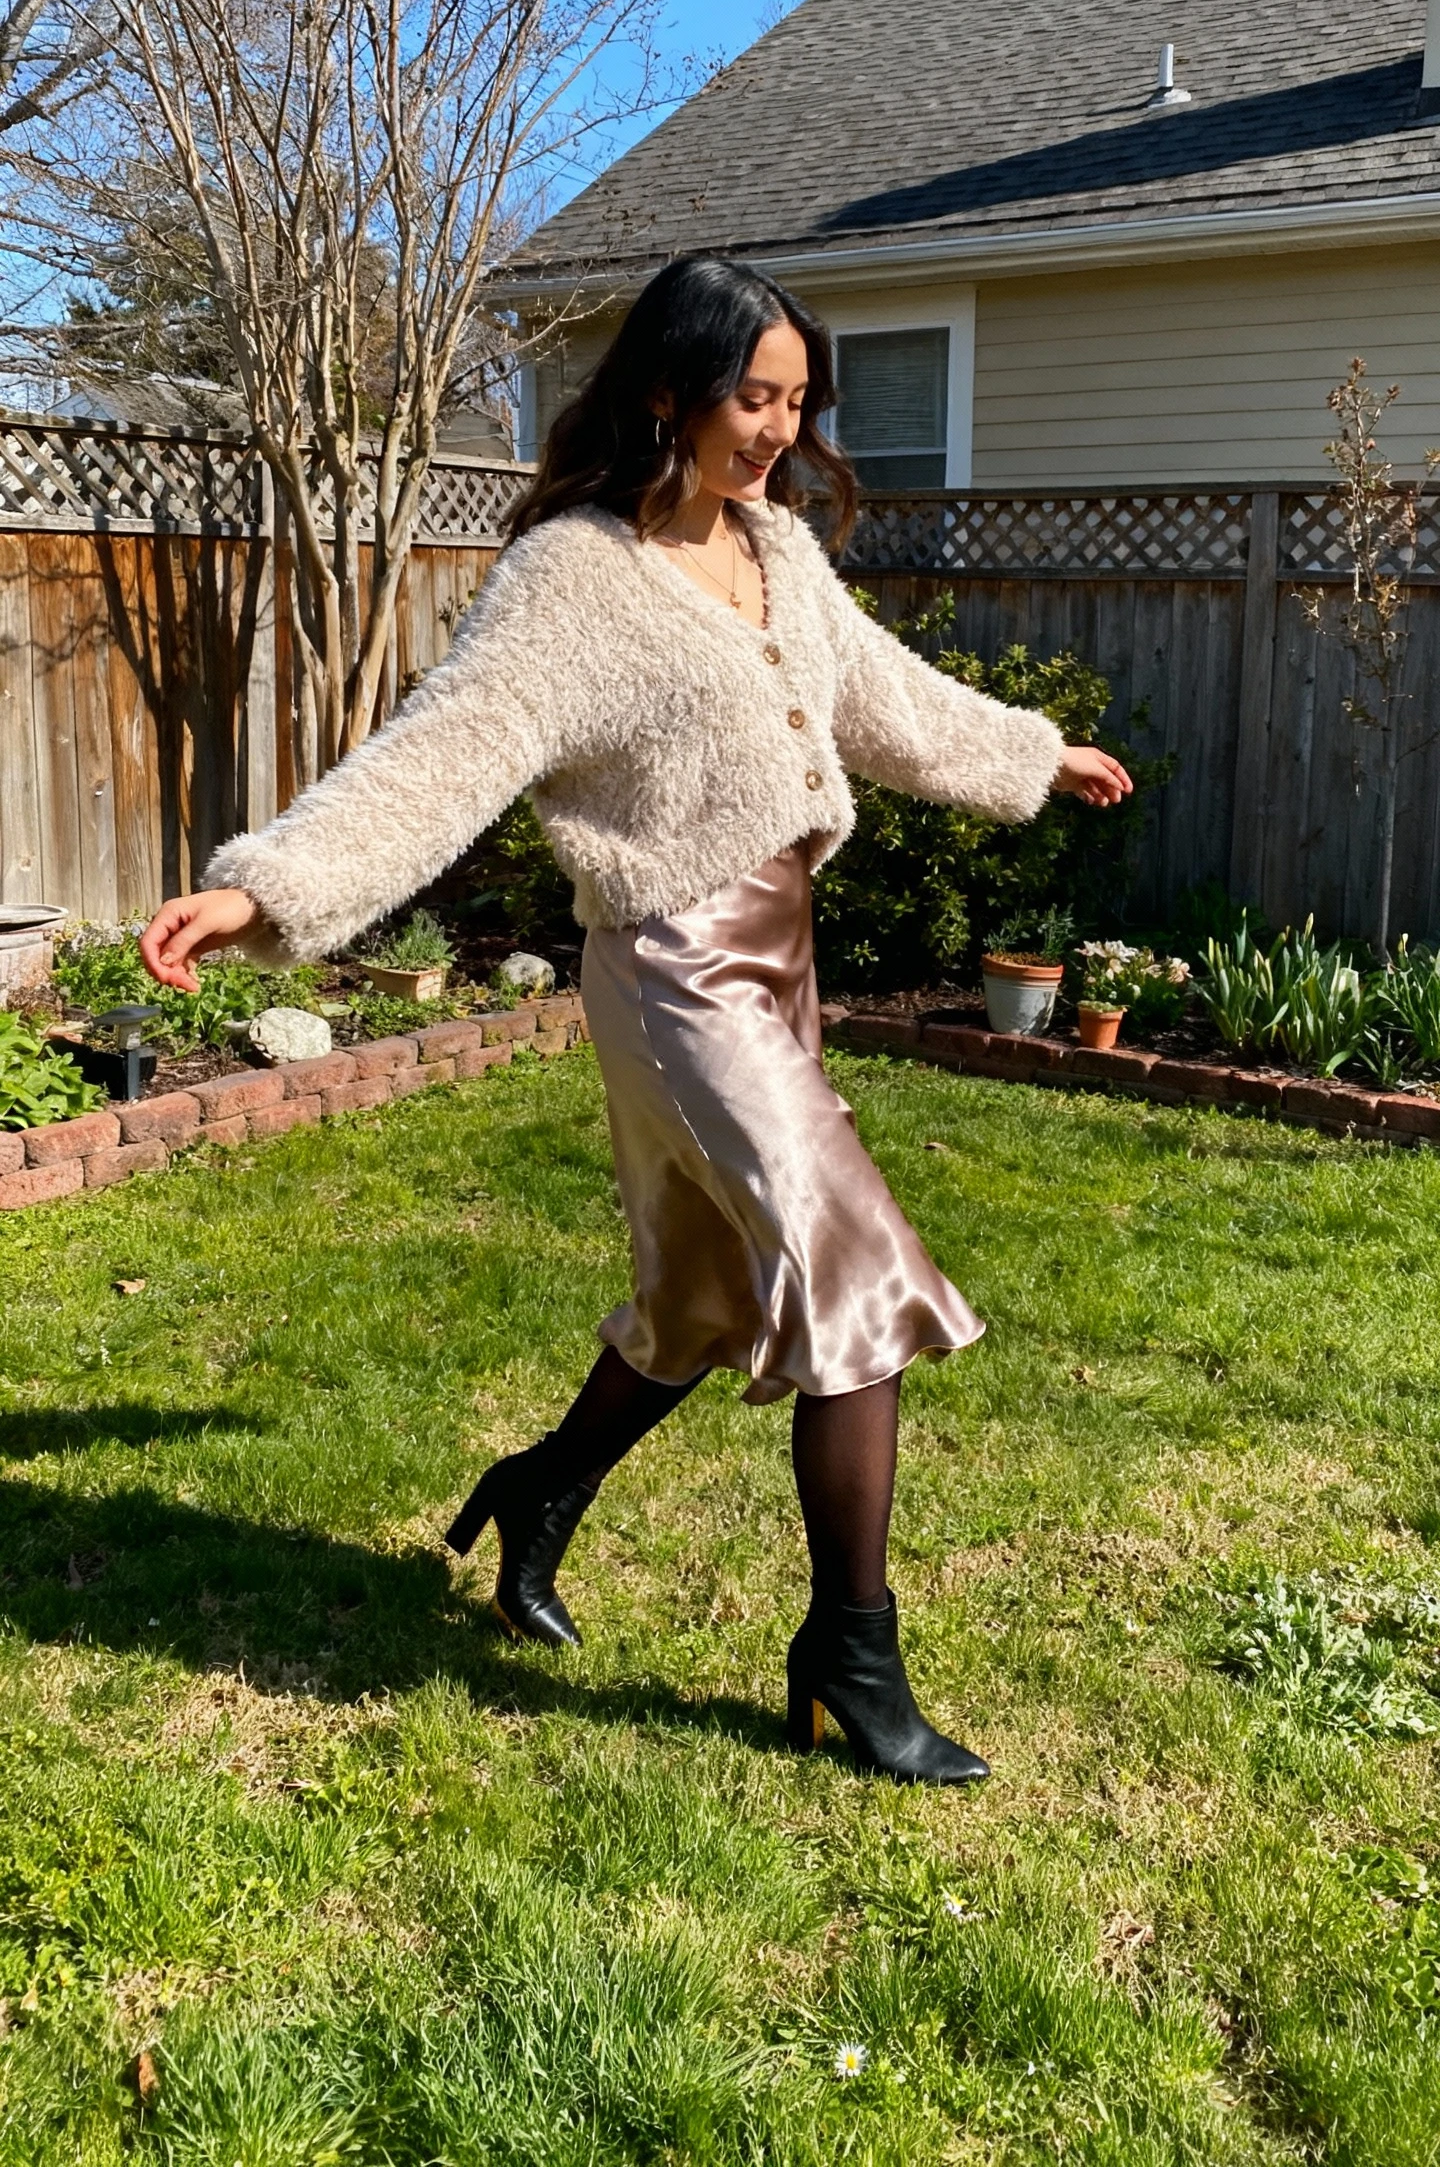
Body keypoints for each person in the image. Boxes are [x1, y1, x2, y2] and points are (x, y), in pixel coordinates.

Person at [141, 254, 1131, 1786]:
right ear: (670, 388)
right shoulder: (573, 581)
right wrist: (269, 892)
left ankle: (537, 1496)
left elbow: (880, 693)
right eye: (756, 398)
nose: (778, 432)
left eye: (799, 405)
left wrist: (1030, 751)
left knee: (699, 1302)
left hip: (778, 960)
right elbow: (446, 751)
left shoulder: (778, 553)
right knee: (854, 1271)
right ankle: (850, 1656)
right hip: (672, 969)